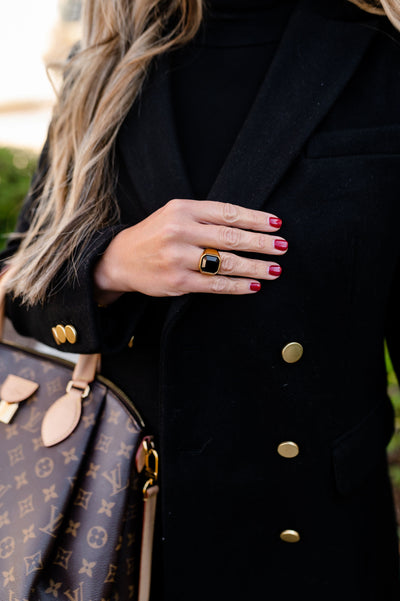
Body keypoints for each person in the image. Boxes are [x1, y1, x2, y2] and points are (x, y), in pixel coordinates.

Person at [2, 0, 400, 598]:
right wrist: (110, 263)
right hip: (129, 523)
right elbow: (25, 291)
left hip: (317, 534)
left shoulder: (380, 54)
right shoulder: (106, 67)